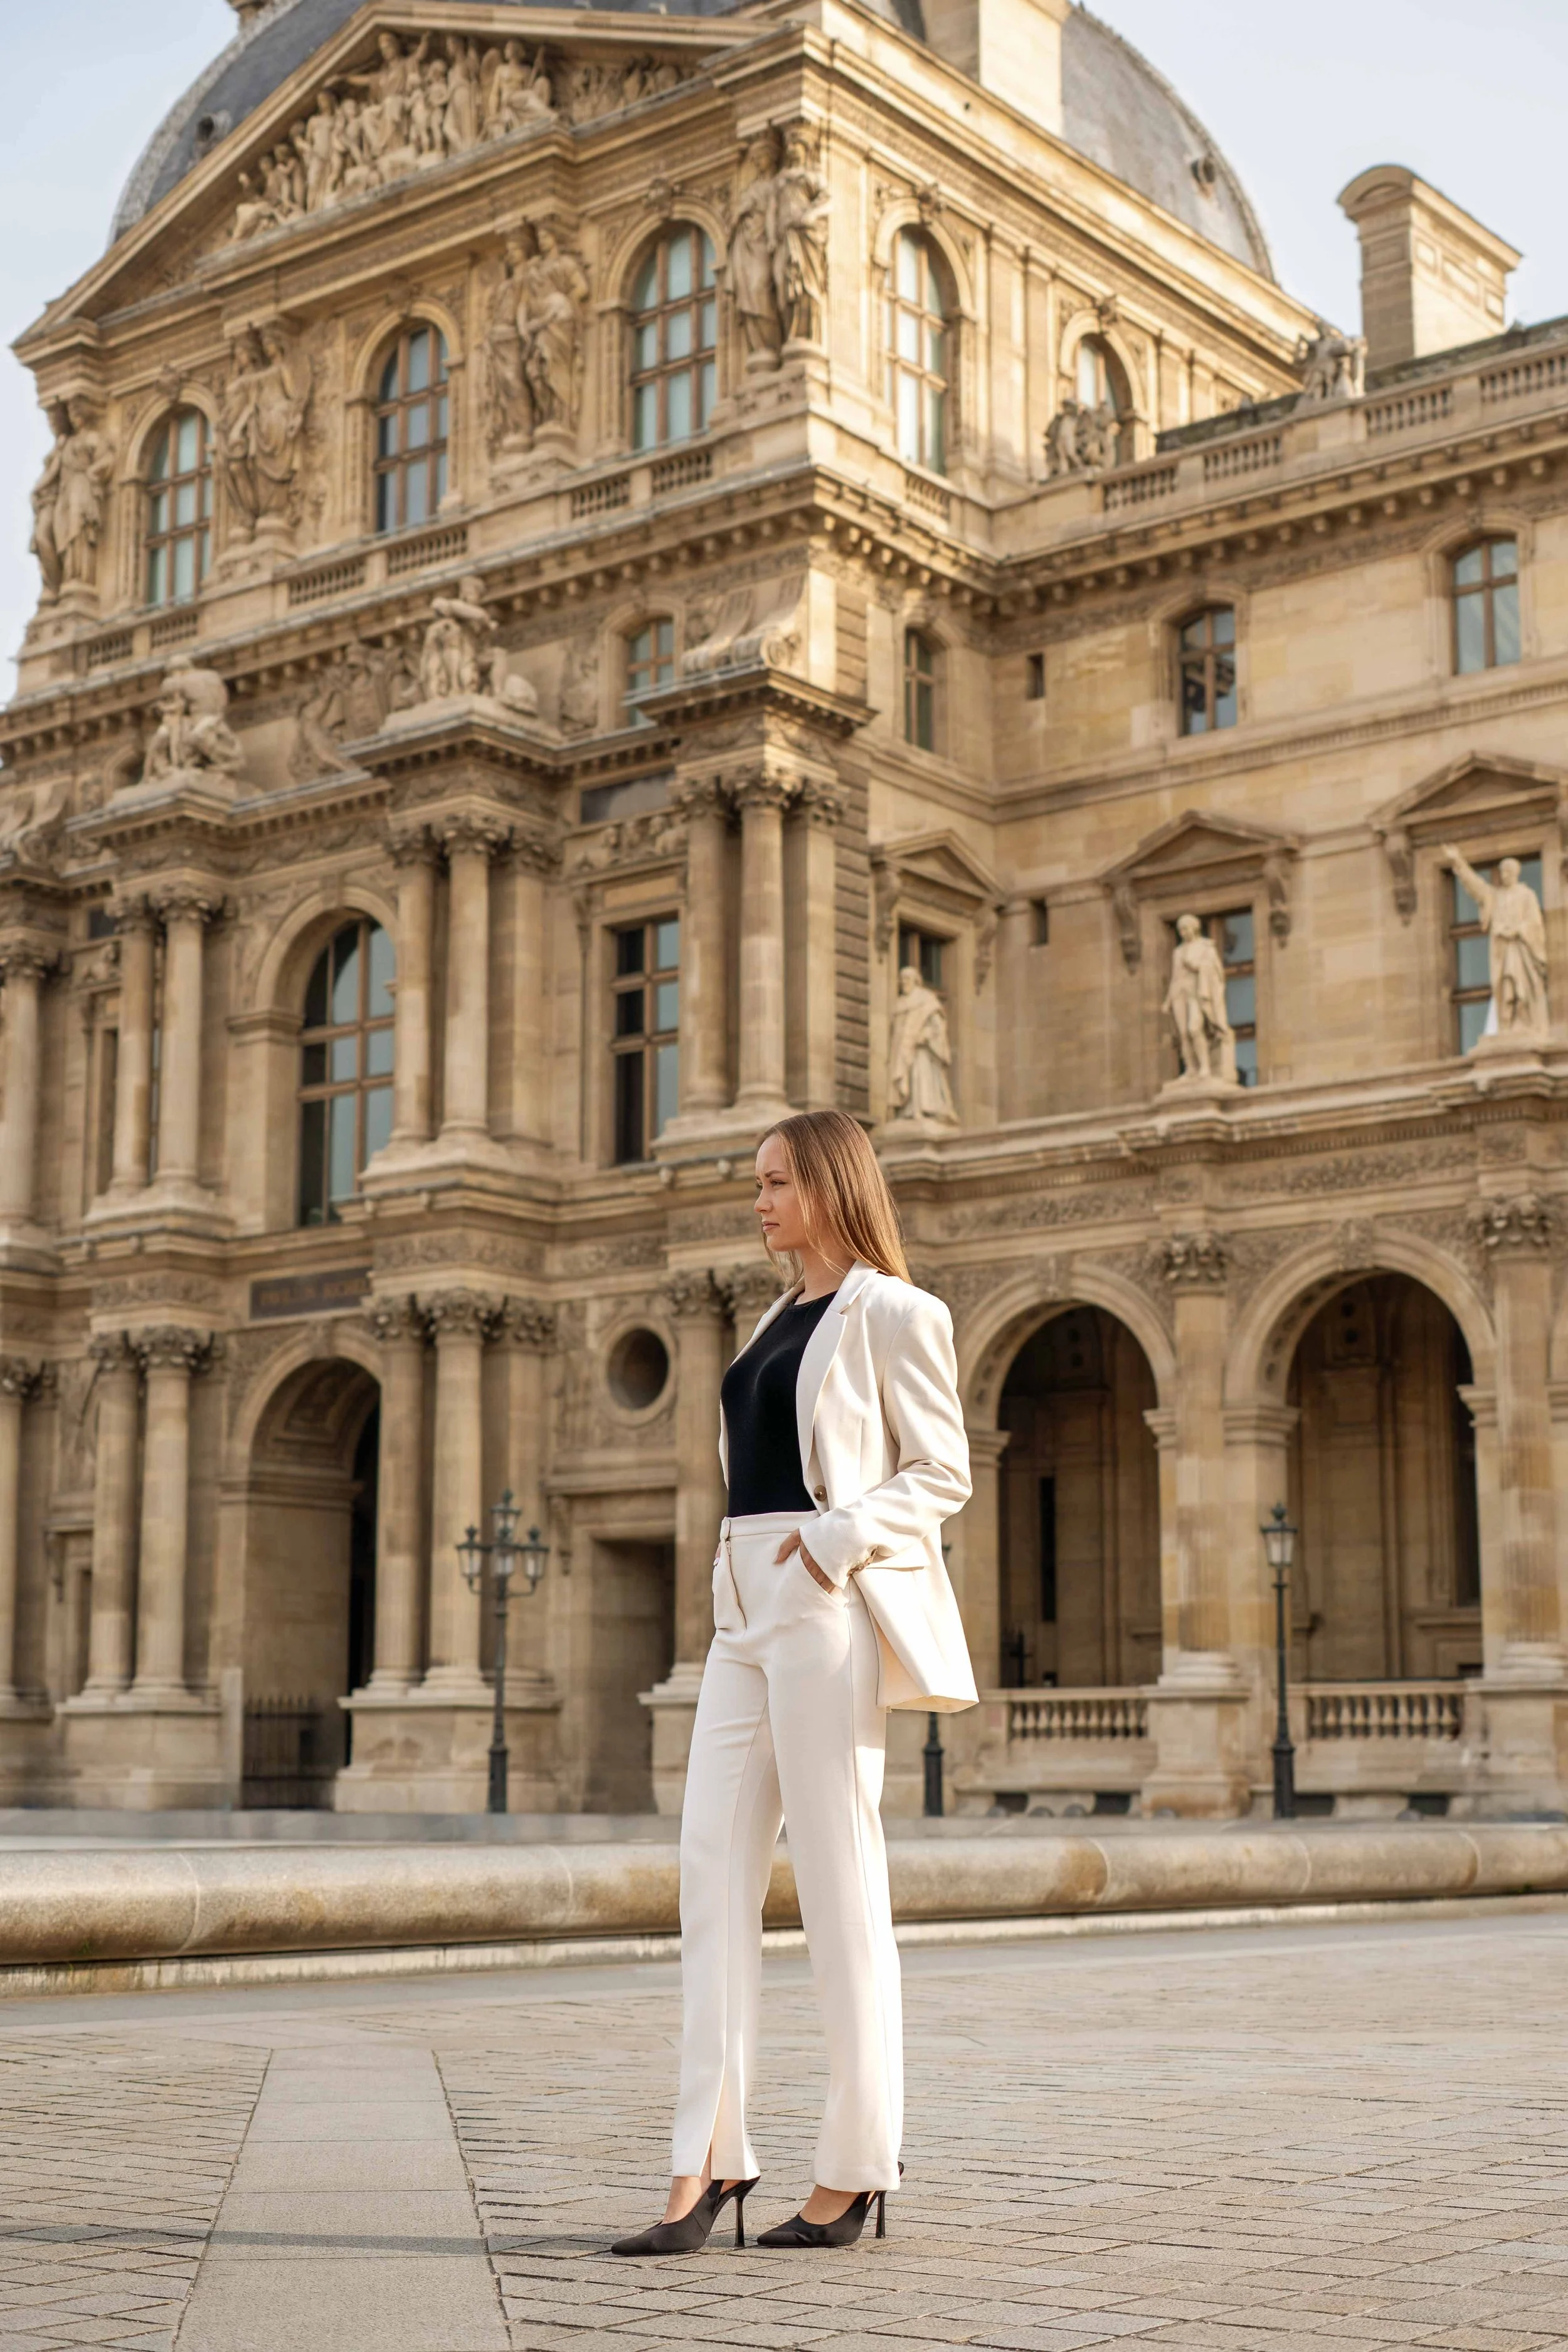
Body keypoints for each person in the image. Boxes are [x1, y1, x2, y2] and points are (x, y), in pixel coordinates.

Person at [611, 1108, 975, 2259]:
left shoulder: (897, 1313)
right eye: (757, 1181)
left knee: (837, 1883)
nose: (758, 1200)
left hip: (822, 1603)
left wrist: (834, 1540)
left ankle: (855, 2167)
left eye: (776, 1181)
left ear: (829, 1184)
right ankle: (705, 2163)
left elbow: (944, 1468)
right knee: (708, 1877)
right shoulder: (773, 1318)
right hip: (740, 1613)